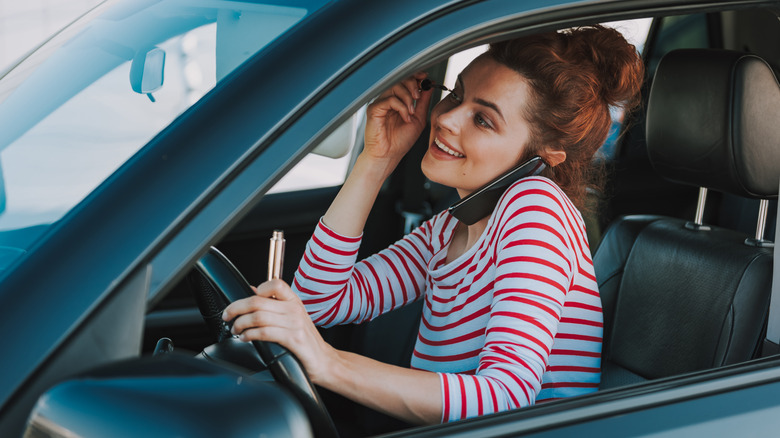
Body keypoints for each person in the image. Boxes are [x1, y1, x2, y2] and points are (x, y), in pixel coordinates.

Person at [223, 25, 644, 424]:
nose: (446, 118)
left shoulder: (537, 209)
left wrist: (329, 363)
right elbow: (319, 303)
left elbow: (504, 397)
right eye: (455, 94)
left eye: (483, 120)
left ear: (548, 153)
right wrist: (377, 160)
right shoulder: (449, 227)